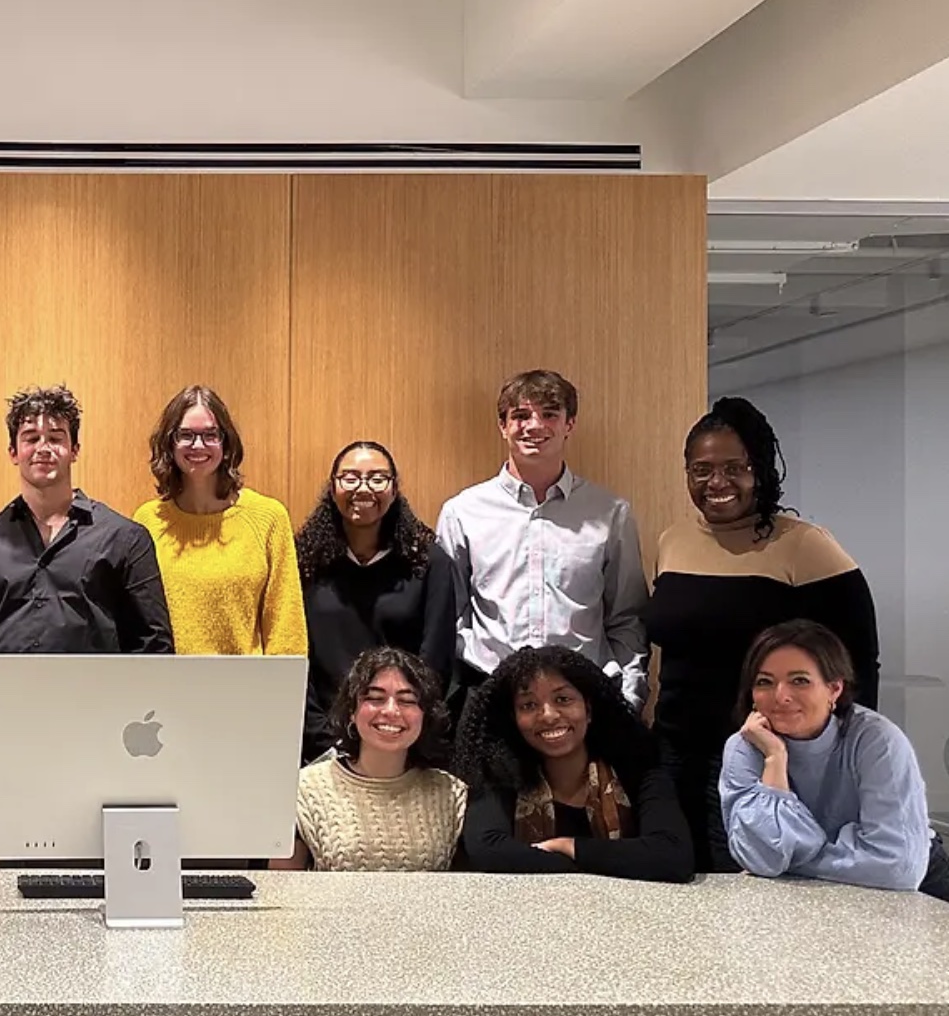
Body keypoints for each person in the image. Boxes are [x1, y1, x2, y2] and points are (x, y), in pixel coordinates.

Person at [645, 397, 881, 874]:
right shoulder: (673, 540)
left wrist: (842, 763)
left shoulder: (805, 546)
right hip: (673, 749)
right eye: (702, 469)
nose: (717, 483)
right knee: (676, 878)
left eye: (735, 467)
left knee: (748, 884)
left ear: (762, 471)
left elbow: (858, 663)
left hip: (765, 753)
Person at [435, 370, 647, 712]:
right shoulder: (462, 513)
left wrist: (630, 698)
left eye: (550, 414)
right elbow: (450, 615)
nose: (534, 426)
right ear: (502, 426)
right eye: (520, 415)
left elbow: (626, 618)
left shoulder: (610, 513)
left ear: (570, 424)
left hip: (585, 697)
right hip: (491, 695)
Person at [0, 385, 173, 704]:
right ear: (13, 452)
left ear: (74, 449)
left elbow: (154, 646)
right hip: (7, 723)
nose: (43, 448)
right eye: (30, 438)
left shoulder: (125, 538)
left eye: (55, 438)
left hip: (100, 723)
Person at [720, 620, 949, 902]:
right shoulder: (745, 748)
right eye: (765, 682)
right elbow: (762, 859)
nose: (780, 696)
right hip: (808, 891)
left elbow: (898, 868)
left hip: (913, 891)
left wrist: (793, 857)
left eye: (800, 680)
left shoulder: (877, 741)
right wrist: (775, 758)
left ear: (834, 688)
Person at [455, 645, 694, 882]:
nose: (548, 715)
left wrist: (570, 847)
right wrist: (619, 861)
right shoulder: (496, 775)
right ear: (514, 719)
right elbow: (488, 852)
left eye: (563, 699)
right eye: (529, 705)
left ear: (588, 710)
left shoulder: (638, 770)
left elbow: (672, 855)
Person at [295, 440, 458, 763]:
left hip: (403, 739)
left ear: (395, 489)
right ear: (333, 487)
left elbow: (435, 660)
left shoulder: (429, 563)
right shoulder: (304, 562)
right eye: (351, 478)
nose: (364, 488)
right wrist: (324, 738)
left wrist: (396, 730)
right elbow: (297, 654)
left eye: (377, 478)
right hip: (320, 744)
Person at [131, 385, 306, 657]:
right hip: (167, 690)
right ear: (169, 443)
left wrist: (280, 694)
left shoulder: (268, 517)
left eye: (210, 435)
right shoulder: (148, 521)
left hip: (245, 692)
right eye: (185, 435)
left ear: (226, 443)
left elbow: (286, 626)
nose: (198, 445)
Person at [272, 648, 466, 872]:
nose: (391, 711)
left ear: (426, 715)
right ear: (352, 711)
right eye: (375, 698)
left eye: (407, 701)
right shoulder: (303, 790)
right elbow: (282, 888)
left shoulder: (451, 793)